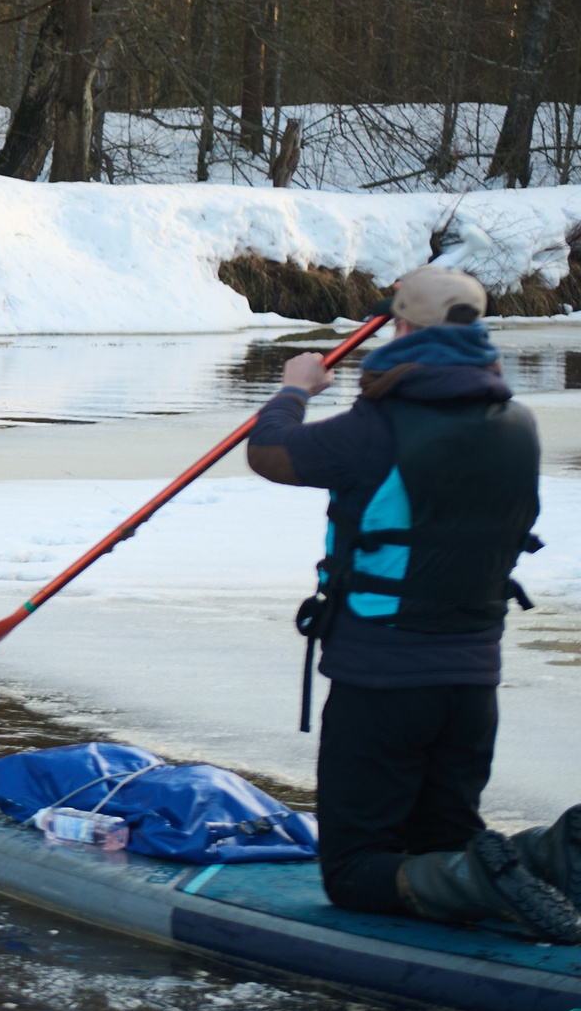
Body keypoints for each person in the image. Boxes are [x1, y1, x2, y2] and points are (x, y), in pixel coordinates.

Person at [247, 264, 580, 941]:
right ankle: (544, 857)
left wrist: (294, 388)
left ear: (399, 327)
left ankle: (518, 866)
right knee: (444, 842)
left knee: (353, 870)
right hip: (472, 687)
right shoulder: (518, 425)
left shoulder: (375, 428)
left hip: (382, 684)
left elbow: (271, 452)